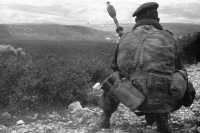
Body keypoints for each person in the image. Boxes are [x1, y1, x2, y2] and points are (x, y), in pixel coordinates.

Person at [100, 2, 194, 133]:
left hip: (133, 99)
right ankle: (162, 119)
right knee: (181, 73)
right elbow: (178, 67)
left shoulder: (125, 38)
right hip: (164, 101)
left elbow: (115, 67)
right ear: (157, 20)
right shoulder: (169, 37)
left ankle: (105, 117)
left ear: (137, 20)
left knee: (113, 79)